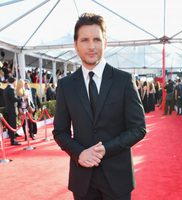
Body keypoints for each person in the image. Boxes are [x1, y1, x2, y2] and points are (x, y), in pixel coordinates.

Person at [53, 13, 146, 200]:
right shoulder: (66, 85)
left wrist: (106, 149)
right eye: (85, 40)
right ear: (75, 44)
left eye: (97, 39)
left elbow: (138, 128)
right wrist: (79, 153)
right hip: (82, 179)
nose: (91, 46)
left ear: (105, 42)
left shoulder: (124, 80)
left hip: (118, 177)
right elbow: (60, 131)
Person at [3, 77, 21, 145]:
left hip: (8, 109)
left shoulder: (6, 89)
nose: (16, 83)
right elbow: (13, 99)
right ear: (13, 82)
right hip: (11, 110)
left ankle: (13, 139)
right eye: (15, 81)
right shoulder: (10, 89)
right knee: (12, 125)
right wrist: (21, 99)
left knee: (11, 125)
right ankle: (13, 141)